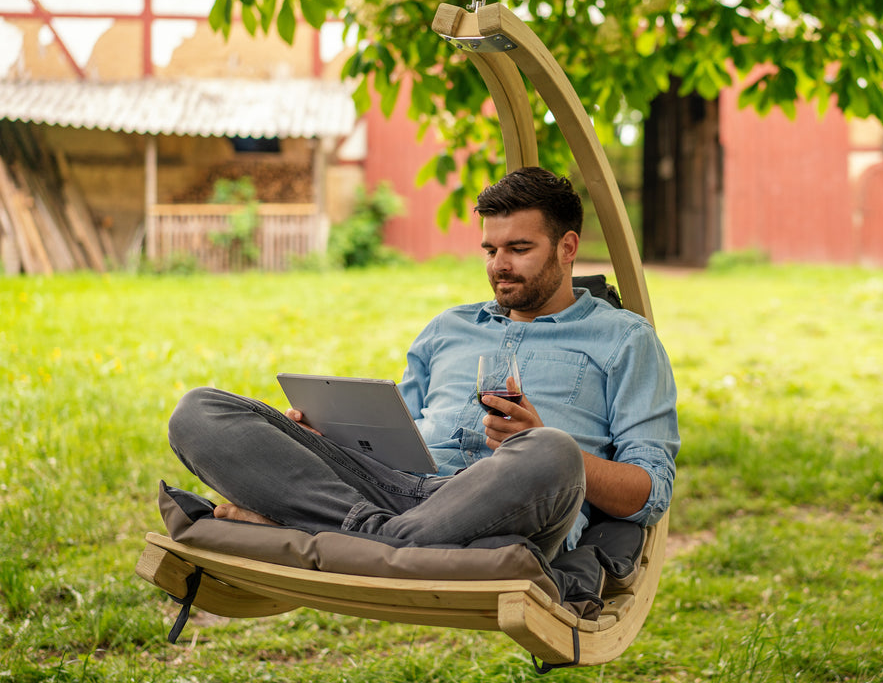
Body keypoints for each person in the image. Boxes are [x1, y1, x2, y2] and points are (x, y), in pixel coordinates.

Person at [167, 167, 679, 561]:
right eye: (490, 249)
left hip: (506, 506)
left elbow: (651, 493)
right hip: (392, 493)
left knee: (551, 452)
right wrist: (329, 443)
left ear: (568, 248)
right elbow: (396, 436)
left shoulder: (625, 340)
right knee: (200, 412)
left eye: (519, 248)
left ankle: (332, 535)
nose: (499, 265)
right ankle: (378, 540)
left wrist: (537, 442)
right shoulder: (447, 328)